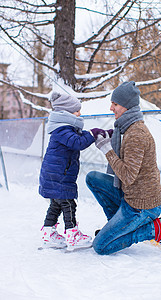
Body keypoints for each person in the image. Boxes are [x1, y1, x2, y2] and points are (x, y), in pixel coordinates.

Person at [86, 81, 161, 258]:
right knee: (92, 178)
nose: (111, 108)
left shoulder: (136, 135)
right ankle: (116, 228)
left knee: (100, 246)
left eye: (115, 104)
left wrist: (106, 150)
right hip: (130, 195)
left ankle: (154, 230)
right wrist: (108, 136)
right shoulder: (126, 129)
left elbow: (127, 176)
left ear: (126, 106)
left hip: (142, 206)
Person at [39, 92, 103, 250]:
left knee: (56, 205)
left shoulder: (62, 128)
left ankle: (48, 234)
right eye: (76, 111)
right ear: (66, 113)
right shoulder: (62, 129)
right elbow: (78, 143)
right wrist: (93, 133)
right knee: (68, 204)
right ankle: (72, 233)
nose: (79, 114)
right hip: (59, 176)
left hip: (56, 175)